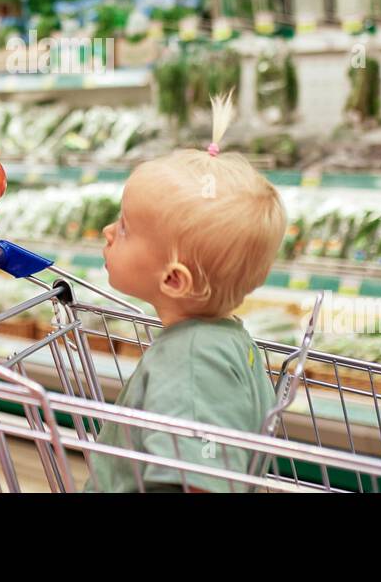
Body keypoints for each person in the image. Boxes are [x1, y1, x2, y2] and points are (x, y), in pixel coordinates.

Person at [84, 93, 286, 492]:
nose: (108, 231)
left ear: (174, 280)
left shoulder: (191, 361)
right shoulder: (226, 339)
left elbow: (203, 482)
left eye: (124, 227)